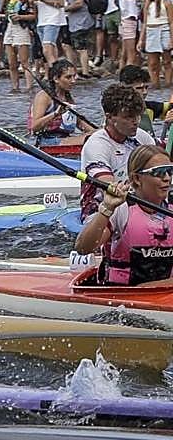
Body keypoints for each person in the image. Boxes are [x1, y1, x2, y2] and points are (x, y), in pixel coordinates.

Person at [75, 145, 173, 286]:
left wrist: (156, 286)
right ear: (137, 178)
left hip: (164, 291)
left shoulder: (171, 209)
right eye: (159, 172)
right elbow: (83, 248)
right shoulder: (121, 210)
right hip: (121, 292)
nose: (167, 178)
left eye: (170, 171)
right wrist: (106, 209)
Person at [78, 84, 154, 220]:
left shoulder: (142, 137)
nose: (136, 121)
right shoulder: (96, 145)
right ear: (109, 117)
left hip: (138, 206)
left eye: (138, 115)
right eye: (128, 117)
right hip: (100, 211)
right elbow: (110, 187)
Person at [29, 59, 95, 147]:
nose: (73, 81)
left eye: (74, 76)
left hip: (64, 139)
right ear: (56, 79)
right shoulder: (44, 96)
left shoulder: (68, 98)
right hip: (46, 142)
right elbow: (34, 127)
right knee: (90, 139)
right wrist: (56, 114)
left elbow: (81, 124)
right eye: (68, 77)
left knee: (96, 135)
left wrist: (101, 132)